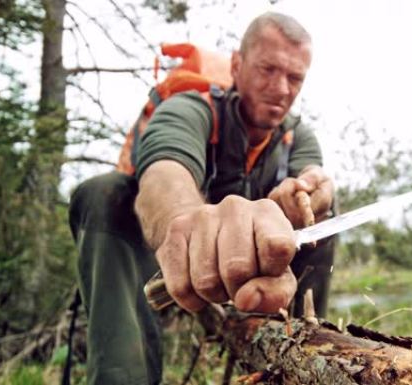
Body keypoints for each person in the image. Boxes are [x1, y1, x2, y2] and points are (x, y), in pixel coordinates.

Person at [68, 12, 335, 385]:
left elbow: (312, 178)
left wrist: (311, 194)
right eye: (267, 69)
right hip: (162, 263)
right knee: (103, 194)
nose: (281, 88)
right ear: (237, 66)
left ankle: (304, 355)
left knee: (327, 218)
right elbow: (165, 170)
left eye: (294, 78)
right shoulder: (191, 108)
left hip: (252, 276)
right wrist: (184, 223)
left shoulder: (297, 136)